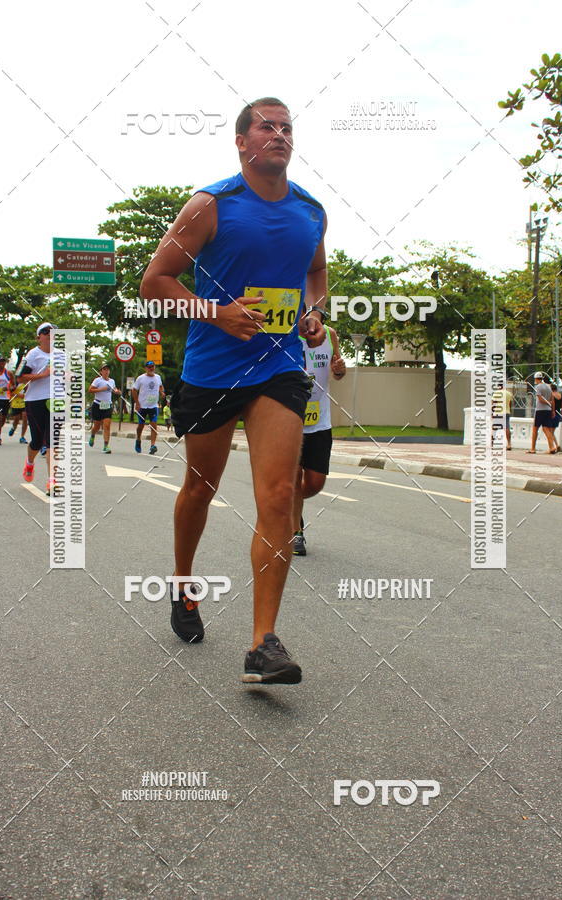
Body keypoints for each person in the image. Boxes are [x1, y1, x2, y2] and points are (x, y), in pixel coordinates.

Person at [141, 96, 327, 685]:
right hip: (213, 371)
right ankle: (183, 583)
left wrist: (315, 312)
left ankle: (263, 643)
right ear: (242, 143)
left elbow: (317, 275)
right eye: (266, 127)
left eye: (287, 128)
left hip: (279, 367)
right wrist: (216, 312)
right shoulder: (210, 205)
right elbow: (154, 283)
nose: (278, 134)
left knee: (277, 496)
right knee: (199, 490)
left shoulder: (311, 211)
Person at [292, 325, 346, 556]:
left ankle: (285, 503)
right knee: (292, 478)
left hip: (319, 422)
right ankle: (296, 533)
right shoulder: (285, 333)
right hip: (289, 417)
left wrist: (340, 369)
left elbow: (338, 372)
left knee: (315, 483)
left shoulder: (330, 334)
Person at [18, 323, 54, 494]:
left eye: (53, 331)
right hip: (35, 401)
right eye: (45, 332)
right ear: (39, 337)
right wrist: (43, 375)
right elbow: (20, 377)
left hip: (56, 401)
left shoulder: (62, 355)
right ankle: (30, 463)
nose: (49, 334)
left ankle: (52, 481)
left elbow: (69, 375)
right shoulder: (33, 354)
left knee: (52, 442)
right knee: (37, 441)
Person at [132, 361, 165, 455]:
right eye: (149, 367)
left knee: (154, 425)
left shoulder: (158, 377)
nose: (151, 368)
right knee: (141, 425)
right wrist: (137, 403)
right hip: (142, 406)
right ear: (146, 368)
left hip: (153, 406)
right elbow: (134, 390)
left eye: (153, 367)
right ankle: (138, 439)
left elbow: (161, 386)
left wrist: (162, 392)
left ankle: (152, 446)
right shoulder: (141, 378)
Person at [88, 363, 121, 453]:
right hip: (97, 405)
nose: (106, 371)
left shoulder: (112, 381)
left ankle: (106, 446)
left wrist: (117, 392)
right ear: (101, 371)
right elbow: (90, 390)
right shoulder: (97, 380)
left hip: (107, 405)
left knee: (107, 425)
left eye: (108, 370)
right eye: (104, 369)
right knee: (97, 426)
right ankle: (92, 434)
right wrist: (101, 389)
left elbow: (115, 390)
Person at [526, 372, 557, 454]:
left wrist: (547, 403)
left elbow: (540, 399)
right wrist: (553, 410)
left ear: (536, 379)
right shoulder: (548, 386)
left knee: (535, 429)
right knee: (546, 429)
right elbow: (552, 400)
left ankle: (533, 448)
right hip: (548, 410)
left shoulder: (538, 387)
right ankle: (552, 447)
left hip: (540, 410)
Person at [0, 356, 14, 446]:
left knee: (3, 419)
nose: (2, 363)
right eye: (0, 362)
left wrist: (10, 388)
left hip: (6, 398)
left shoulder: (9, 373)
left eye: (3, 362)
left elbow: (13, 385)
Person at [491, 381, 513, 451]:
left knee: (494, 428)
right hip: (506, 413)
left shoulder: (496, 393)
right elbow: (510, 404)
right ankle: (509, 444)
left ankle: (492, 444)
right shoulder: (509, 393)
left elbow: (494, 404)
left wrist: (492, 413)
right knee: (507, 428)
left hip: (498, 413)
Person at [551, 383, 562, 452]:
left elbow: (552, 404)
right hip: (558, 414)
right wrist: (561, 415)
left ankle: (555, 445)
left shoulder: (552, 395)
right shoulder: (560, 395)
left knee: (550, 432)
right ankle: (556, 445)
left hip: (552, 414)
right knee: (552, 432)